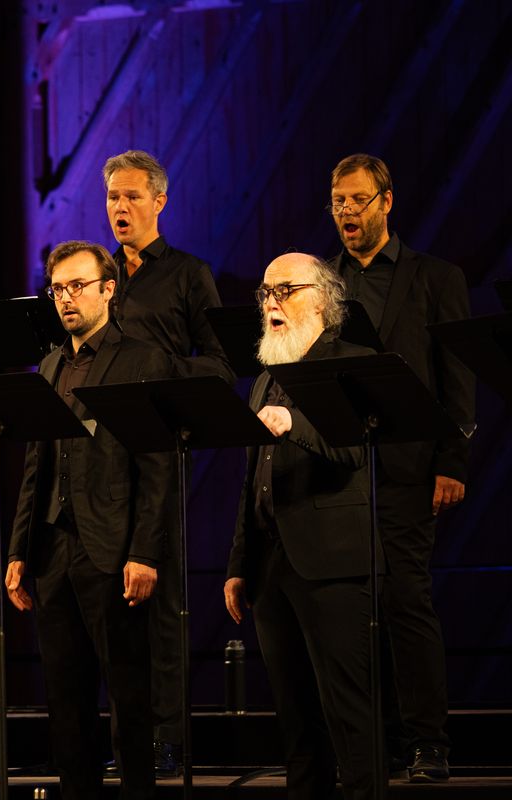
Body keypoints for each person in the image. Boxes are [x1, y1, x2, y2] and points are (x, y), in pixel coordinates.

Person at [325, 154, 474, 782]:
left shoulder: (436, 278)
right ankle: (369, 744)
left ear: (387, 201)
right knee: (351, 610)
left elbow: (457, 379)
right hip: (338, 472)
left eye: (358, 201)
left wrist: (452, 460)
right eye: (337, 203)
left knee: (407, 599)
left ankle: (428, 742)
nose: (346, 214)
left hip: (410, 466)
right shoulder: (320, 280)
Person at [6, 240, 171, 800]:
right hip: (54, 548)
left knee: (127, 693)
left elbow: (157, 467)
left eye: (78, 286)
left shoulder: (143, 358)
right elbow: (36, 465)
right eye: (58, 288)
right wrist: (18, 550)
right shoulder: (50, 364)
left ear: (108, 289)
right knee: (66, 695)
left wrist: (145, 551)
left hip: (114, 547)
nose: (67, 298)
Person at [224, 252, 378, 799]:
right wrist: (238, 565)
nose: (272, 303)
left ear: (324, 298)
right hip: (272, 567)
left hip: (331, 562)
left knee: (350, 714)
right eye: (266, 293)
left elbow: (356, 450)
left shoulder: (351, 362)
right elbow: (252, 482)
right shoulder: (264, 378)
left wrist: (296, 424)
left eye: (285, 290)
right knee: (295, 720)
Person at [102, 149, 233, 774]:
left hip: (155, 446)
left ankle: (168, 737)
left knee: (161, 601)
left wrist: (156, 371)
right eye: (112, 198)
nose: (120, 208)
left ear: (160, 202)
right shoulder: (97, 276)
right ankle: (126, 743)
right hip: (99, 456)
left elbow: (221, 362)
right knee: (107, 605)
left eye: (131, 197)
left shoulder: (188, 274)